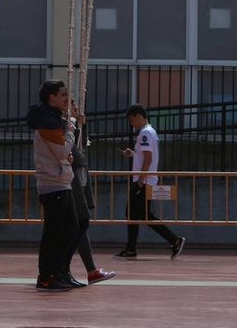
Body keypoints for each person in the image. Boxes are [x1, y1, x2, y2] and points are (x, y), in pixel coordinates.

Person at [27, 79, 82, 292]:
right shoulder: (48, 123)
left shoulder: (54, 120)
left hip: (60, 181)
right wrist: (71, 127)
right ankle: (47, 275)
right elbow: (62, 151)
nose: (66, 98)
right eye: (63, 94)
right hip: (52, 183)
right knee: (55, 232)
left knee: (71, 229)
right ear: (52, 98)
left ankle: (59, 271)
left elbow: (67, 151)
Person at [115, 104, 185, 260]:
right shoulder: (149, 132)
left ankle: (174, 240)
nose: (131, 124)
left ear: (139, 116)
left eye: (132, 120)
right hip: (145, 179)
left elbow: (148, 159)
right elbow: (144, 156)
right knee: (136, 214)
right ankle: (131, 248)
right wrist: (132, 154)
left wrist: (140, 181)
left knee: (141, 215)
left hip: (143, 181)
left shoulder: (145, 133)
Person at [69, 106, 115, 285]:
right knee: (77, 225)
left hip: (78, 181)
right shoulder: (63, 125)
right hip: (69, 183)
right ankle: (59, 269)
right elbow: (76, 153)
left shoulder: (74, 125)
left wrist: (83, 126)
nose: (74, 109)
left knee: (78, 226)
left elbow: (83, 145)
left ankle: (89, 270)